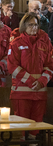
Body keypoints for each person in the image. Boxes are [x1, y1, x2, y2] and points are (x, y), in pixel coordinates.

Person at [8, 12, 53, 141]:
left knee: (36, 125)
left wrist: (42, 81)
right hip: (21, 93)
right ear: (24, 26)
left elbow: (50, 65)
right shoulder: (16, 43)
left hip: (39, 92)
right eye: (31, 25)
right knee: (21, 126)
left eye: (36, 25)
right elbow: (12, 66)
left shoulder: (44, 43)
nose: (34, 27)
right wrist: (31, 81)